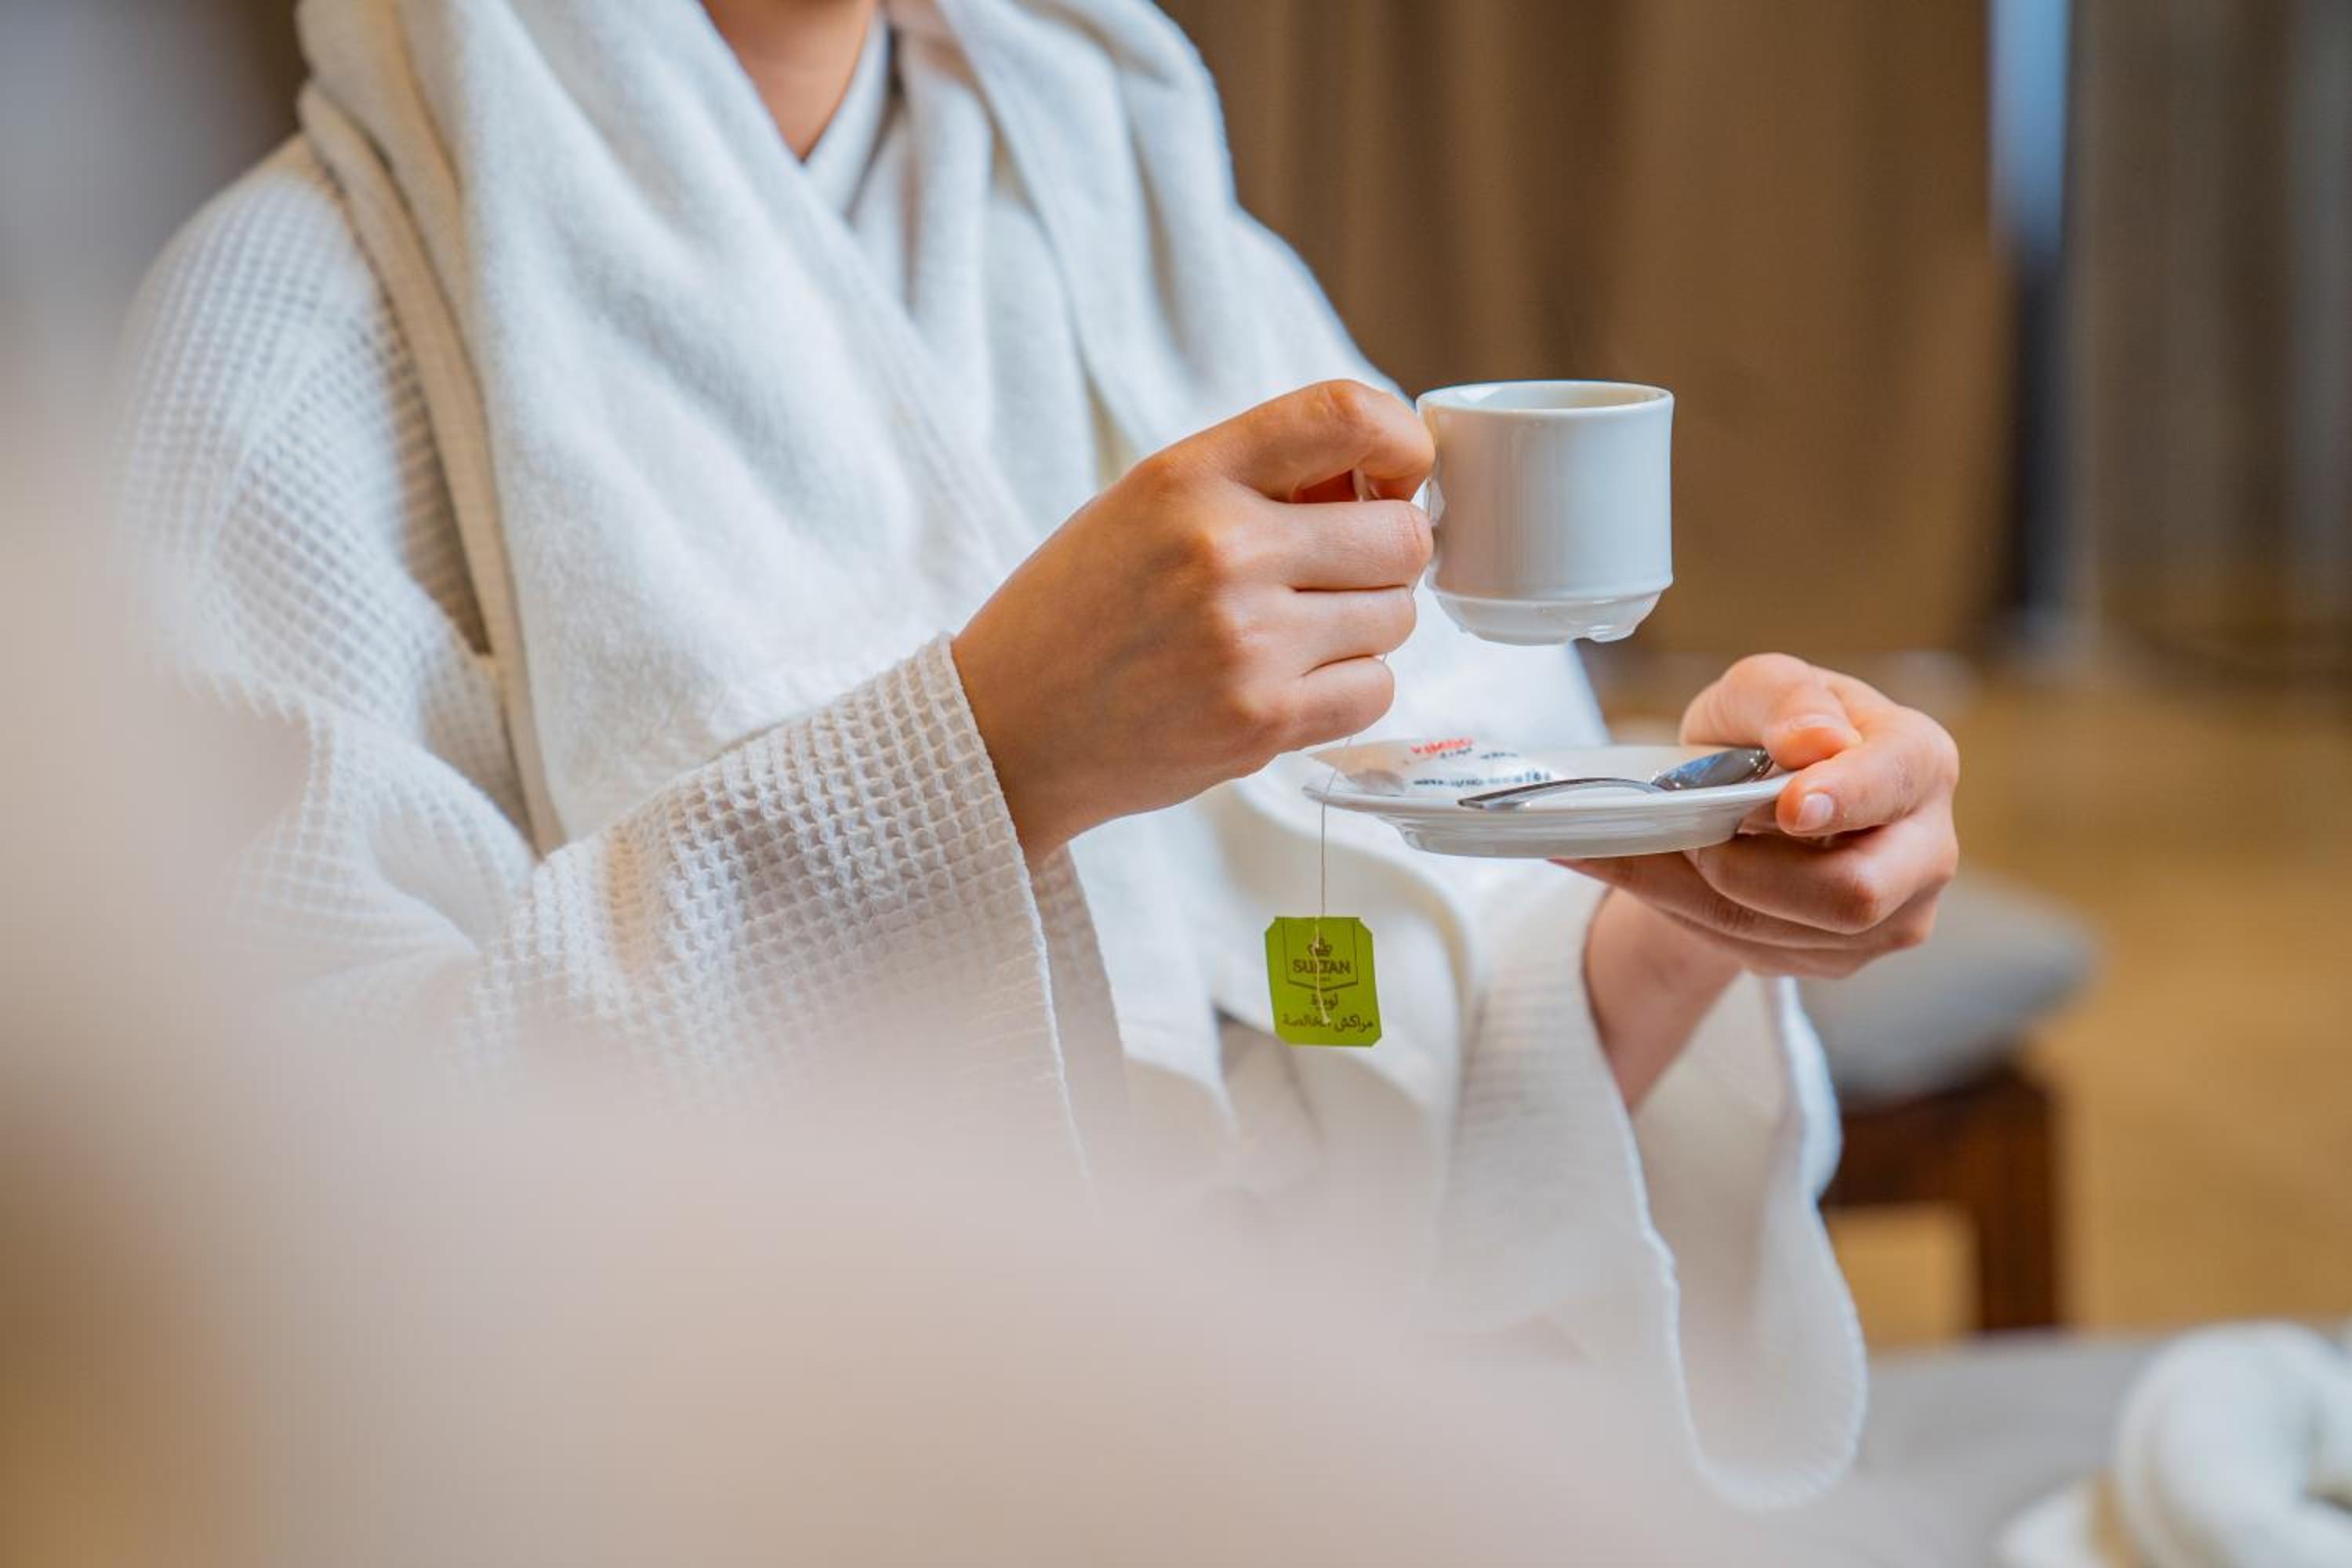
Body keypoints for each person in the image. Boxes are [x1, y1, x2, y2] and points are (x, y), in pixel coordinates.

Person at [120, 0, 1957, 1504]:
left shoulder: (1137, 215)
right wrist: (988, 754)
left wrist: (1696, 901)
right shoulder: (279, 355)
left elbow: (1415, 1094)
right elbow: (290, 1250)